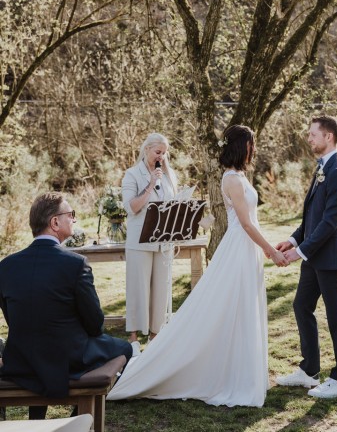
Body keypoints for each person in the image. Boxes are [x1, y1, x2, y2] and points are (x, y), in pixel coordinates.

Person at [108, 124, 287, 407]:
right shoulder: (232, 179)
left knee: (241, 307)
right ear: (243, 147)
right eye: (252, 144)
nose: (255, 149)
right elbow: (245, 222)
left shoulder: (238, 175)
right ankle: (143, 345)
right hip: (237, 246)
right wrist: (270, 251)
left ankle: (240, 368)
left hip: (240, 247)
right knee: (221, 305)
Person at [0, 192, 132, 419]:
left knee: (39, 342)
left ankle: (39, 419)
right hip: (67, 359)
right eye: (71, 214)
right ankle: (78, 418)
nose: (74, 219)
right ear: (54, 222)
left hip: (21, 358)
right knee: (125, 348)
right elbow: (95, 324)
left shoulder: (6, 266)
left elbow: (14, 318)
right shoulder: (75, 264)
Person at [276, 114, 337, 399]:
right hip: (313, 258)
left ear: (328, 137)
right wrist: (293, 239)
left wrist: (299, 252)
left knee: (336, 317)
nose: (308, 138)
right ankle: (309, 370)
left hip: (330, 258)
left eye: (313, 134)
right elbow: (312, 216)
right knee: (301, 306)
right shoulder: (322, 168)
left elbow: (330, 222)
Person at [122, 132, 178, 350]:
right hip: (140, 240)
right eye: (157, 152)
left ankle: (155, 337)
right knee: (138, 287)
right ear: (146, 150)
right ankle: (134, 338)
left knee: (160, 290)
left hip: (164, 241)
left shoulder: (170, 174)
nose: (161, 157)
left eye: (164, 153)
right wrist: (150, 184)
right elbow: (132, 207)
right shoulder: (131, 175)